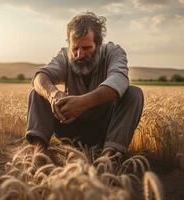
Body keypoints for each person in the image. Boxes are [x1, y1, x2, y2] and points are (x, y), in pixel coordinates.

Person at [25, 11, 144, 156]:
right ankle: (39, 154)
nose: (79, 54)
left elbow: (119, 80)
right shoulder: (65, 56)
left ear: (99, 44)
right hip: (69, 127)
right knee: (38, 92)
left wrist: (82, 104)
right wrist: (53, 95)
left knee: (134, 93)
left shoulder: (113, 52)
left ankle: (110, 157)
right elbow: (40, 77)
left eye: (86, 48)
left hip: (105, 130)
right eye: (75, 48)